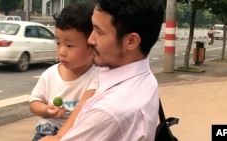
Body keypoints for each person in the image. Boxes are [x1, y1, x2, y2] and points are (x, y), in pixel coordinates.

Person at [41, 0, 164, 140]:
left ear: (131, 41)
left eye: (98, 31)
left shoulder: (108, 111)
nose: (90, 40)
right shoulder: (144, 79)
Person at [29, 2, 98, 141]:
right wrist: (46, 109)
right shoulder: (50, 74)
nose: (61, 52)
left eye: (69, 45)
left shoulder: (97, 76)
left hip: (76, 133)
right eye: (58, 43)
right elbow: (34, 102)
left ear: (92, 47)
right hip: (48, 130)